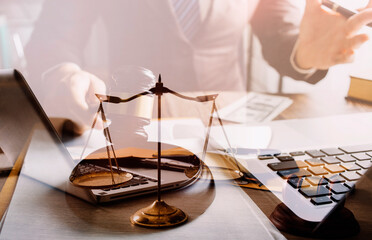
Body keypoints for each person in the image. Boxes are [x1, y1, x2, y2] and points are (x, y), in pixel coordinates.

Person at [24, 0, 372, 132]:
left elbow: (280, 33)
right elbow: (54, 35)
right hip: (135, 124)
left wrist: (305, 54)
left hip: (229, 126)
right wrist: (66, 72)